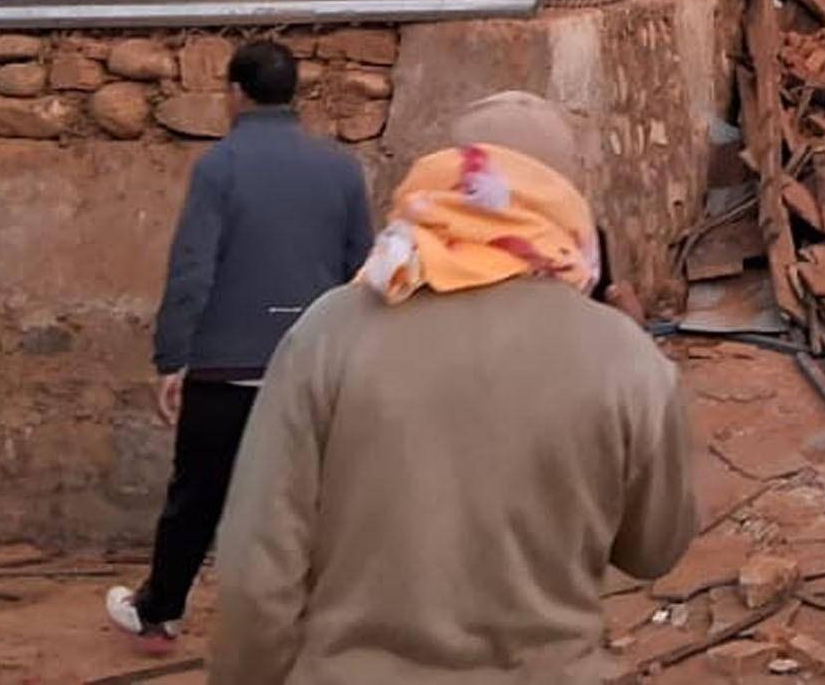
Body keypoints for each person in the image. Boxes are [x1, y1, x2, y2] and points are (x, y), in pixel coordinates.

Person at [206, 91, 698, 684]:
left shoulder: (329, 332)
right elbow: (654, 549)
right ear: (565, 202)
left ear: (443, 182)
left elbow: (256, 567)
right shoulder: (628, 360)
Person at [106, 38, 376, 646]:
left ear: (235, 93)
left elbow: (194, 268)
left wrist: (173, 358)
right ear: (293, 93)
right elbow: (363, 268)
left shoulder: (219, 167)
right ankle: (318, 621)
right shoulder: (339, 168)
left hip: (225, 369)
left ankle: (160, 611)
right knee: (313, 500)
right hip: (312, 365)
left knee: (197, 494)